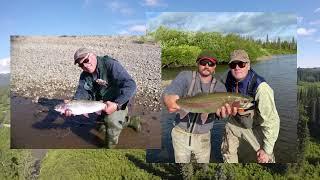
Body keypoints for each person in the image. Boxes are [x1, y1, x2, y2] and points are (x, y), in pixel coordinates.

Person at [64, 47, 138, 148]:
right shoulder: (84, 75)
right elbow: (81, 92)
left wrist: (116, 104)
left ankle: (109, 147)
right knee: (101, 128)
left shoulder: (110, 64)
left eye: (86, 60)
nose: (85, 65)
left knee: (111, 122)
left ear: (92, 55)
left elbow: (131, 85)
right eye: (81, 64)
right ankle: (129, 121)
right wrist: (74, 102)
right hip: (100, 103)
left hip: (117, 101)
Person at [216, 49, 280, 163]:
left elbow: (272, 121)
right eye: (233, 64)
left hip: (255, 126)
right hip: (234, 122)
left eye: (241, 64)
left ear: (248, 65)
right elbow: (215, 95)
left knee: (265, 158)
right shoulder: (225, 78)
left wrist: (267, 150)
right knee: (227, 152)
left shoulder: (262, 88)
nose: (237, 67)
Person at [163, 50, 226, 163]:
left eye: (210, 63)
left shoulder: (220, 87)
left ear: (215, 66)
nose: (207, 66)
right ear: (197, 63)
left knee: (203, 169)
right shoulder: (185, 76)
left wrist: (221, 114)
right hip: (180, 134)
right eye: (203, 62)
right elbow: (172, 89)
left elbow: (219, 114)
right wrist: (168, 97)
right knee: (183, 168)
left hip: (203, 137)